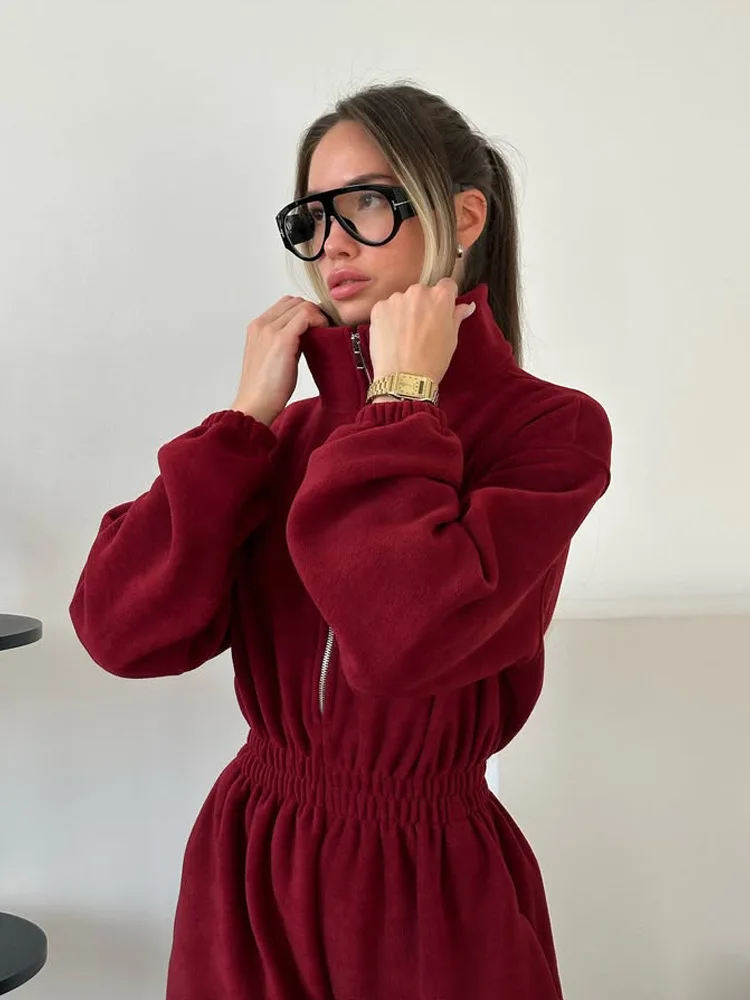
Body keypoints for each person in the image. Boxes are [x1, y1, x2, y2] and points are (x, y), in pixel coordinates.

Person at [69, 81, 612, 999]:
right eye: (311, 218)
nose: (331, 245)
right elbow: (120, 633)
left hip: (430, 889)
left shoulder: (551, 432)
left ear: (463, 216)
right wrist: (242, 420)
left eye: (365, 203)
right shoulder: (280, 438)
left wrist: (401, 398)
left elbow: (406, 637)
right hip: (251, 871)